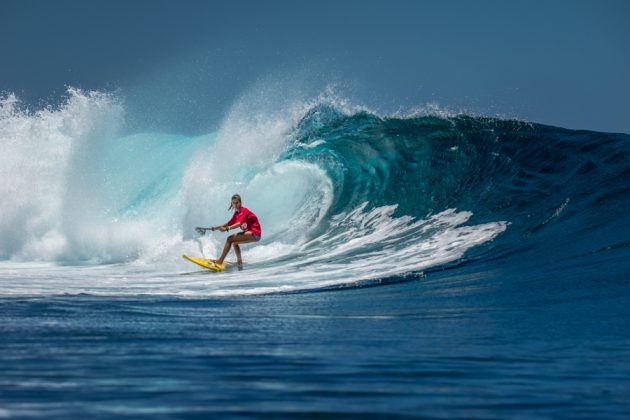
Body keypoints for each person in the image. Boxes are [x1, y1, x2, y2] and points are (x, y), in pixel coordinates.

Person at [198, 194, 261, 268]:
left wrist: (227, 228)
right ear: (232, 203)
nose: (235, 205)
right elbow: (228, 223)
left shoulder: (243, 211)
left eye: (237, 203)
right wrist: (216, 228)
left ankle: (220, 261)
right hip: (251, 234)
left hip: (255, 233)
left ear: (240, 202)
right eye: (233, 203)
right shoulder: (236, 214)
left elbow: (238, 224)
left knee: (229, 239)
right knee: (234, 243)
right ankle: (239, 261)